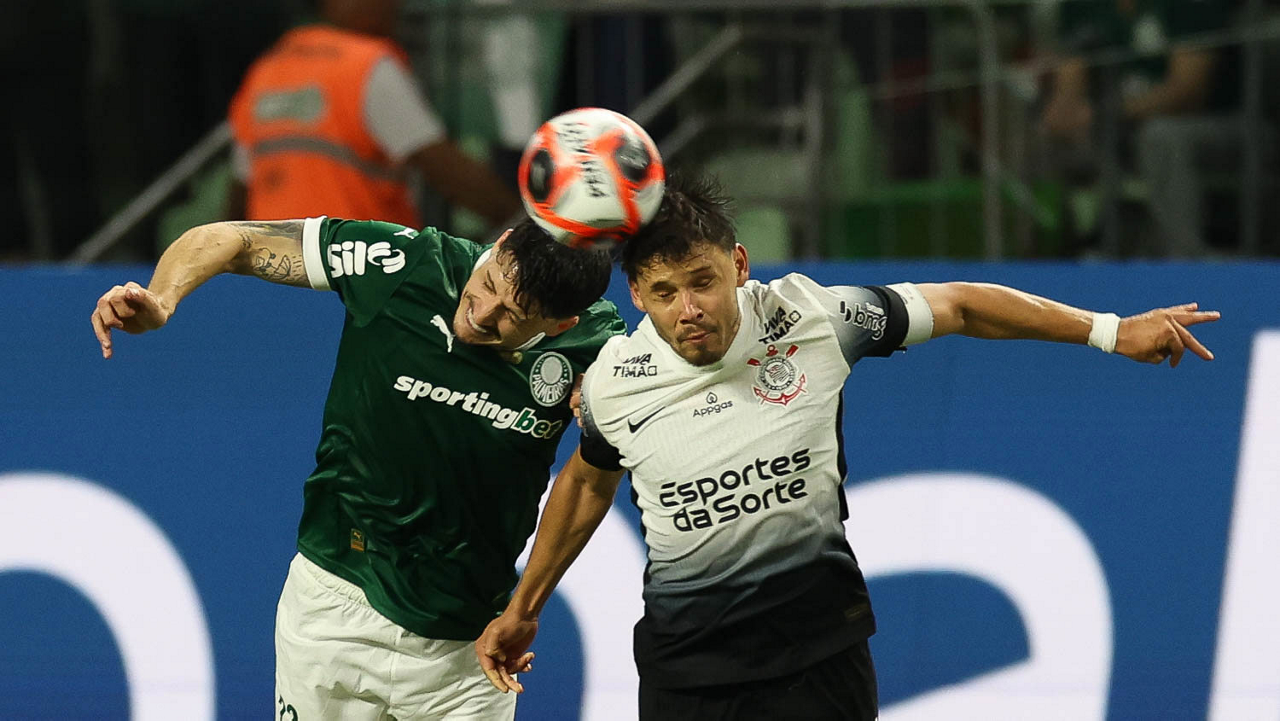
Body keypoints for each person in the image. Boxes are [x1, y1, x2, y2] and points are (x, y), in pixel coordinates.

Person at [474, 174, 1219, 720]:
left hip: (819, 656)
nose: (688, 309)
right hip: (687, 673)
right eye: (664, 293)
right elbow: (587, 480)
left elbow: (961, 305)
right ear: (637, 296)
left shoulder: (815, 317)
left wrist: (1109, 330)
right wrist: (524, 606)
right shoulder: (615, 381)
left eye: (702, 281)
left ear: (739, 265)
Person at [91, 214, 623, 719]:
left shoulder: (601, 352)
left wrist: (524, 609)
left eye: (512, 315)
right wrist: (161, 299)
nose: (482, 314)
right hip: (334, 607)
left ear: (562, 324)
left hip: (466, 648)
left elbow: (590, 483)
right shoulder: (402, 262)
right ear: (501, 243)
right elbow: (236, 240)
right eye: (488, 284)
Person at [227, 0, 521, 230]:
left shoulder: (267, 70)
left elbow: (239, 196)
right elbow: (448, 170)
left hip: (277, 272)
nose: (394, 5)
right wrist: (526, 226)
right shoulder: (367, 65)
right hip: (359, 270)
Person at [1040, 0, 1244, 256]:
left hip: (1215, 125)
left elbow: (1187, 93)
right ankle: (1060, 256)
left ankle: (1185, 261)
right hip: (1118, 127)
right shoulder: (1082, 6)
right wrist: (1066, 108)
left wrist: (1106, 114)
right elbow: (1070, 79)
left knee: (1161, 137)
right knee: (1044, 135)